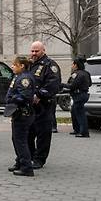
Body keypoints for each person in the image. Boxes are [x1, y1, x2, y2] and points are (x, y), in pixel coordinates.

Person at [28, 41, 61, 169]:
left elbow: (54, 84)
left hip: (44, 105)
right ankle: (29, 156)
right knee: (29, 132)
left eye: (36, 51)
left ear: (43, 50)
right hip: (30, 106)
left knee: (43, 133)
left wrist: (39, 95)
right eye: (32, 51)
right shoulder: (30, 65)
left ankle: (40, 159)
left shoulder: (50, 65)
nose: (34, 53)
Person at [6, 56, 36, 177]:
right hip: (17, 113)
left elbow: (25, 96)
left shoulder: (25, 79)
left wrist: (13, 99)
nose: (12, 66)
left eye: (15, 64)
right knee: (16, 139)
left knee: (20, 140)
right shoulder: (18, 76)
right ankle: (20, 162)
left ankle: (26, 167)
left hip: (23, 113)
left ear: (22, 66)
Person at [64, 58, 91, 138]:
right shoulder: (86, 73)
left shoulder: (76, 74)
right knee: (74, 111)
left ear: (76, 65)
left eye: (73, 64)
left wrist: (62, 85)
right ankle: (77, 130)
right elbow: (90, 84)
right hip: (84, 94)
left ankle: (84, 132)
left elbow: (72, 85)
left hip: (78, 95)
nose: (72, 66)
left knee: (80, 114)